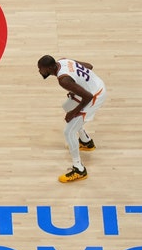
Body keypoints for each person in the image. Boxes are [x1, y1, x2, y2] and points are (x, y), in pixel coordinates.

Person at [37, 55, 107, 183]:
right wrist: (77, 87)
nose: (40, 72)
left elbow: (88, 97)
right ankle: (86, 142)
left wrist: (74, 113)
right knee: (67, 105)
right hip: (96, 85)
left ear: (50, 68)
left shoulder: (64, 80)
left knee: (68, 131)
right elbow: (89, 66)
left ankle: (79, 169)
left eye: (41, 69)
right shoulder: (63, 61)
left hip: (95, 95)